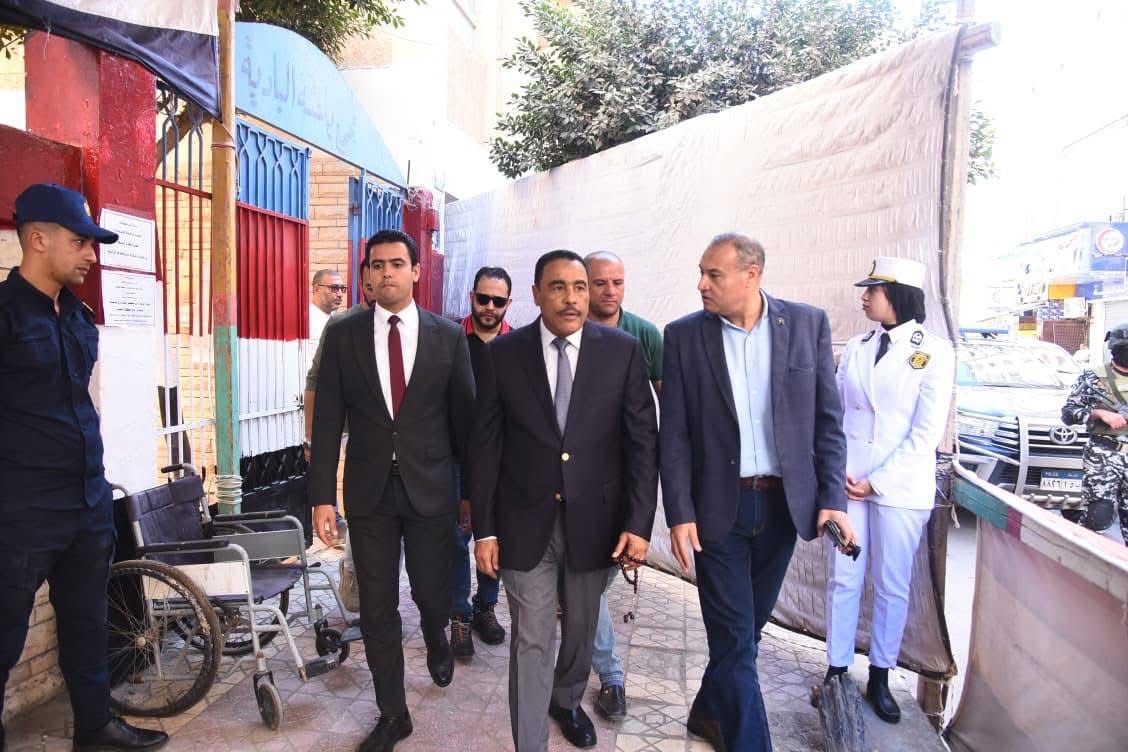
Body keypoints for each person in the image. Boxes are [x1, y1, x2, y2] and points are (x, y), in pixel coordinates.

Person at [659, 232, 855, 751]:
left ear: (751, 275)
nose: (701, 284)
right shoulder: (683, 336)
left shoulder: (807, 324)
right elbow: (674, 434)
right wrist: (679, 512)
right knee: (734, 640)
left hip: (784, 507)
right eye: (701, 273)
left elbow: (828, 423)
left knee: (744, 635)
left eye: (713, 275)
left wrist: (832, 500)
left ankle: (707, 713)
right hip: (717, 509)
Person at [0, 183, 168, 751]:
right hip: (21, 510)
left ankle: (94, 729)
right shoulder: (4, 316)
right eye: (80, 242)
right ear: (38, 240)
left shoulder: (77, 315)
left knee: (88, 624)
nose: (91, 255)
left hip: (87, 502)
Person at [469, 250, 658, 751]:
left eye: (579, 287)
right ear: (536, 294)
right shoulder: (503, 355)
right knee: (532, 638)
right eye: (558, 287)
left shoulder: (622, 352)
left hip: (596, 523)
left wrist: (639, 524)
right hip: (523, 522)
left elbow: (642, 443)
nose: (572, 298)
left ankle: (567, 699)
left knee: (580, 631)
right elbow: (484, 447)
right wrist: (485, 529)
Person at [308, 229, 475, 752]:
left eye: (397, 264)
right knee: (377, 607)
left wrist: (470, 494)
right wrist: (321, 496)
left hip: (431, 491)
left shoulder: (448, 337)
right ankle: (393, 713)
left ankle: (436, 634)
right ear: (366, 275)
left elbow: (465, 423)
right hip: (370, 492)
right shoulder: (344, 334)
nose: (387, 273)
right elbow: (327, 417)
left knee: (430, 592)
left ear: (415, 271)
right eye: (377, 265)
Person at [824, 257, 955, 723]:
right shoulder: (858, 347)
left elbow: (926, 433)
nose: (864, 297)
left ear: (897, 295)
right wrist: (838, 471)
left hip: (898, 488)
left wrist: (876, 481)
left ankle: (880, 676)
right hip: (849, 483)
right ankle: (836, 670)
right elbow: (837, 414)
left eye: (873, 290)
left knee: (891, 584)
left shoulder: (934, 352)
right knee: (844, 577)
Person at [582, 251, 663, 721]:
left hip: (623, 482)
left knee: (591, 585)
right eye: (600, 282)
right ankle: (609, 674)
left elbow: (665, 410)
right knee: (584, 586)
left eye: (618, 281)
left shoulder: (644, 335)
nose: (610, 291)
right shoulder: (566, 331)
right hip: (573, 483)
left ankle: (601, 663)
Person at [449, 266, 513, 659]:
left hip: (501, 464)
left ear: (509, 303)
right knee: (457, 540)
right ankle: (459, 614)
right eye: (483, 298)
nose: (489, 306)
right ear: (472, 296)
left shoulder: (519, 345)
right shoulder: (450, 338)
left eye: (498, 300)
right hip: (455, 459)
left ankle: (485, 607)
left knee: (496, 537)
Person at [1061, 323, 1128, 544]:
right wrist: (1098, 413)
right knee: (1099, 516)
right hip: (1104, 453)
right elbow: (1068, 413)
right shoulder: (1094, 377)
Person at [307, 268, 345, 372]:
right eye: (334, 288)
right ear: (316, 289)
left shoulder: (339, 320)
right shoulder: (306, 320)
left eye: (342, 288)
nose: (340, 294)